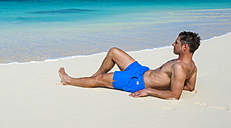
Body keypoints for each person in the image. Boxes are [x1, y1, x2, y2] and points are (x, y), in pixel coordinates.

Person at [58, 31, 201, 100]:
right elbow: (190, 87)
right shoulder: (192, 66)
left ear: (185, 47)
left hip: (137, 82)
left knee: (100, 79)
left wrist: (150, 90)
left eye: (176, 42)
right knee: (114, 51)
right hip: (141, 71)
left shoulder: (179, 67)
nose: (173, 44)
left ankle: (69, 80)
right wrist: (171, 82)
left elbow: (175, 95)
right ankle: (92, 77)